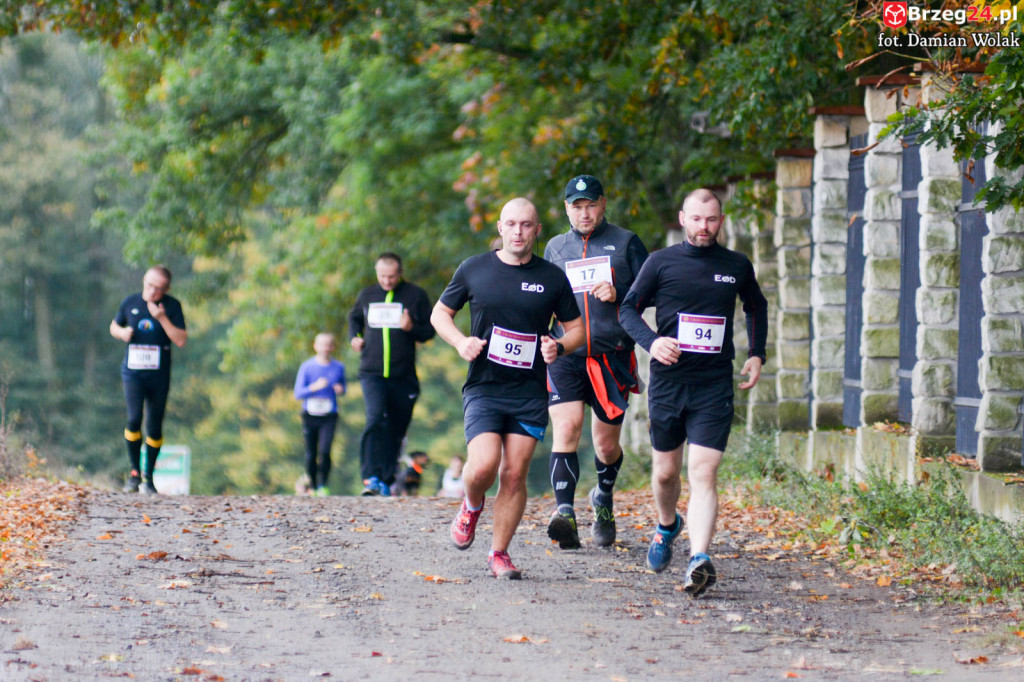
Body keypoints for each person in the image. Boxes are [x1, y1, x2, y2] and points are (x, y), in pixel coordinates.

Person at [619, 188, 768, 597]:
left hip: (713, 384)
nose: (705, 227)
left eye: (712, 219)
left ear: (722, 221)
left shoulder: (735, 265)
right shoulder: (660, 262)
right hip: (668, 383)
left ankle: (699, 559)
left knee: (703, 473)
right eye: (697, 219)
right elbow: (627, 309)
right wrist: (652, 342)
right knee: (666, 473)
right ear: (683, 218)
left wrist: (757, 354)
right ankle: (667, 524)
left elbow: (756, 306)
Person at [431, 197, 585, 579]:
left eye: (526, 225)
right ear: (500, 228)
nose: (518, 231)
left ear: (536, 230)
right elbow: (440, 313)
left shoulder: (551, 277)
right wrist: (459, 342)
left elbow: (578, 329)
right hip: (484, 386)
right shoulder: (474, 269)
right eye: (511, 224)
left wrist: (559, 345)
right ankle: (470, 503)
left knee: (514, 474)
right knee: (483, 465)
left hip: (529, 391)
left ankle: (499, 553)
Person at [543, 174, 649, 550]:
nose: (585, 213)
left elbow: (652, 290)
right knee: (567, 428)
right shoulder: (555, 248)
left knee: (605, 447)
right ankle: (565, 513)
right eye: (577, 207)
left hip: (612, 355)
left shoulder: (626, 243)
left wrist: (620, 292)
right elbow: (543, 298)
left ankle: (603, 497)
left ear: (603, 204)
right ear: (566, 209)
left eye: (591, 205)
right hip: (566, 353)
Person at [348, 253, 436, 496]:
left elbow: (429, 331)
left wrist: (411, 328)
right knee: (374, 419)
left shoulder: (415, 295)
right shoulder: (367, 295)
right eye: (382, 276)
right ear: (377, 273)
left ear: (400, 273)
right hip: (372, 372)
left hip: (403, 374)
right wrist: (354, 338)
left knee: (396, 428)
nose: (387, 281)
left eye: (392, 276)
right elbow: (354, 318)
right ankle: (370, 477)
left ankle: (386, 480)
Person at [109, 265, 188, 495]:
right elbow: (114, 325)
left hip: (159, 376)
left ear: (166, 290)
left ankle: (149, 477)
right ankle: (134, 473)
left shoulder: (172, 307)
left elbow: (181, 340)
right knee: (134, 419)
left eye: (159, 289)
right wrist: (121, 333)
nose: (153, 292)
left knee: (154, 426)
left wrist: (162, 318)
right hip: (133, 373)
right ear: (144, 280)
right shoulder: (130, 302)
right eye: (150, 285)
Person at [293, 333, 347, 497]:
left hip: (329, 414)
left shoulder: (338, 367)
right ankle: (313, 485)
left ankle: (323, 484)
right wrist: (314, 387)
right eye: (322, 344)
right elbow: (298, 393)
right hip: (310, 414)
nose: (325, 348)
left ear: (333, 347)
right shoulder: (307, 367)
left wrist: (340, 390)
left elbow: (343, 388)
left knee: (325, 450)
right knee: (311, 452)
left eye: (329, 345)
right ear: (315, 346)